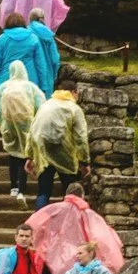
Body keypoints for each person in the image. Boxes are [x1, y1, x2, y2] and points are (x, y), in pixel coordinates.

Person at [28, 182, 124, 274]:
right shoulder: (90, 214)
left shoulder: (53, 209)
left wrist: (39, 241)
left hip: (52, 256)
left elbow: (32, 224)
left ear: (66, 194)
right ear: (82, 195)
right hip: (82, 258)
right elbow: (102, 237)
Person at [26, 78, 90, 209]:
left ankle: (39, 222)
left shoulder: (46, 105)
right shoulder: (74, 109)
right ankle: (70, 221)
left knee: (43, 191)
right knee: (71, 191)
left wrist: (30, 156)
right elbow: (81, 137)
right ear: (73, 92)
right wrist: (84, 161)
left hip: (43, 153)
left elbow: (32, 130)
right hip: (65, 153)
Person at [0, 56, 45, 196]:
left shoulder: (4, 87)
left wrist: (0, 122)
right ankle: (22, 189)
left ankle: (13, 186)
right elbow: (40, 106)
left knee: (12, 155)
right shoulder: (31, 87)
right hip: (26, 125)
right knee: (24, 155)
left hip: (8, 124)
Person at [0, 10, 58, 94]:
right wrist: (43, 86)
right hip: (29, 83)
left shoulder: (2, 39)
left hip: (5, 83)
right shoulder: (33, 38)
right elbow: (41, 65)